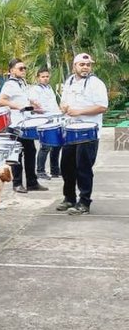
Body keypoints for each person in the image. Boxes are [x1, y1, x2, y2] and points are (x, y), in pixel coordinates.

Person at [57, 53, 108, 215]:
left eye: (88, 64)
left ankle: (84, 201)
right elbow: (63, 103)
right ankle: (69, 198)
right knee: (66, 166)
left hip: (88, 132)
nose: (85, 67)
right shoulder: (69, 81)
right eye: (82, 64)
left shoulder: (96, 83)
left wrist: (79, 111)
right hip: (70, 131)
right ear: (75, 66)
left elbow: (102, 107)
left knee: (83, 167)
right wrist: (64, 107)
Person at [0, 58, 48, 193]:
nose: (24, 70)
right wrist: (18, 106)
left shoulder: (22, 83)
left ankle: (32, 182)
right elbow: (0, 101)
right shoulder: (10, 84)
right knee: (17, 155)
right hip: (15, 123)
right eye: (20, 68)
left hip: (26, 123)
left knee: (31, 151)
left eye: (24, 68)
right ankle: (17, 183)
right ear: (12, 70)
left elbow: (23, 99)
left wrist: (33, 104)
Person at [33, 68, 62, 179]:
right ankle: (40, 171)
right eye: (43, 77)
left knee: (57, 145)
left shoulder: (49, 88)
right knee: (45, 146)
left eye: (47, 76)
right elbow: (34, 104)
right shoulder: (35, 89)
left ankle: (55, 170)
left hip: (55, 118)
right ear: (38, 78)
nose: (45, 79)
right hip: (44, 120)